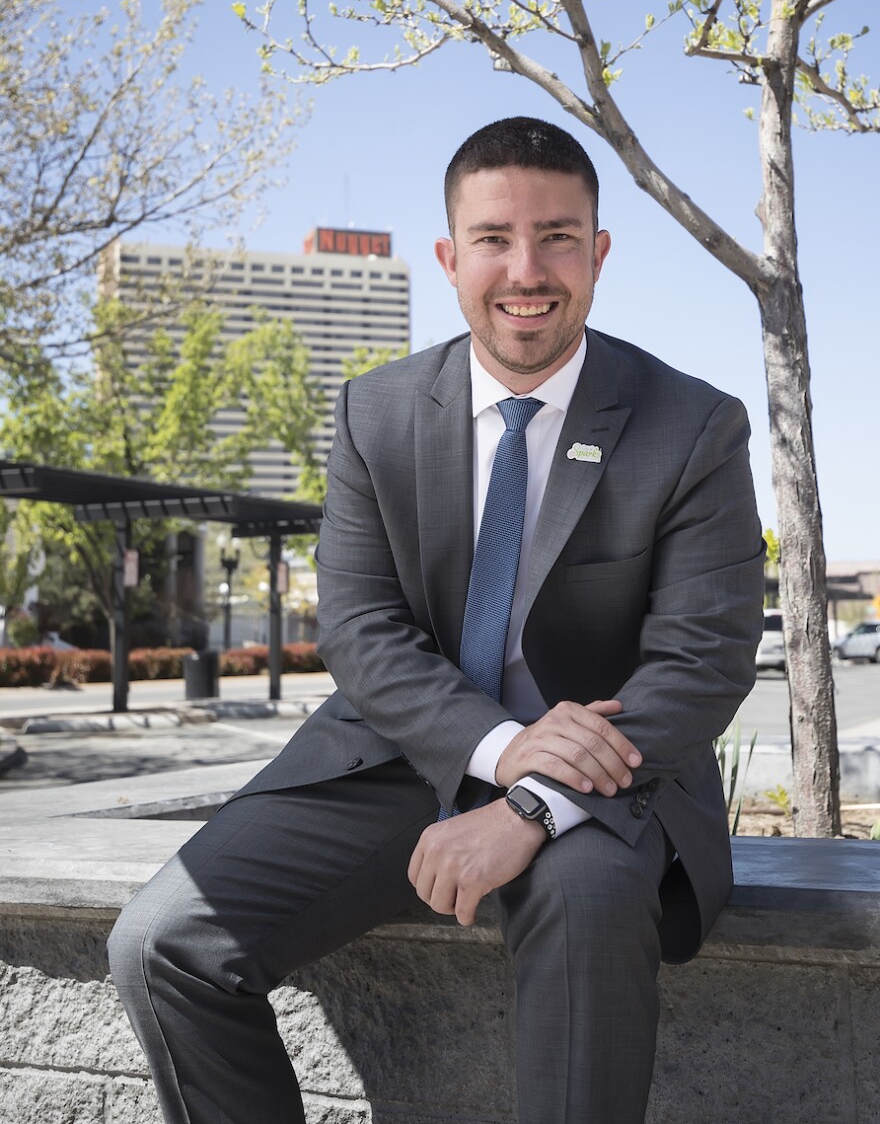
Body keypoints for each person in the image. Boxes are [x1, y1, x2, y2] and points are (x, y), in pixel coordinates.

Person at [109, 116, 765, 1124]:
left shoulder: (692, 424)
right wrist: (501, 749)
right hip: (397, 758)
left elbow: (703, 657)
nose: (526, 269)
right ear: (450, 257)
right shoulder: (376, 412)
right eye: (494, 238)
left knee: (589, 902)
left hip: (605, 783)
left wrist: (533, 802)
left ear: (597, 252)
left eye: (556, 236)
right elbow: (360, 627)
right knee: (160, 941)